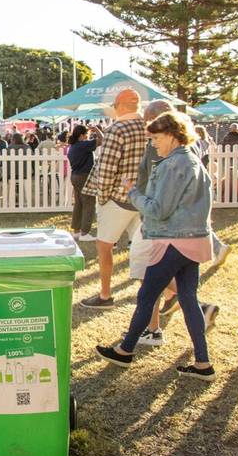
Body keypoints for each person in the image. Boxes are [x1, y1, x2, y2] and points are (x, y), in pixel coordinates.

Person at [96, 111, 216, 381]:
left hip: (173, 240)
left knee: (147, 296)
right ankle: (202, 363)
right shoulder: (194, 159)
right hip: (194, 239)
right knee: (188, 299)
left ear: (172, 135)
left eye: (156, 138)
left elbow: (158, 210)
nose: (153, 143)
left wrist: (133, 192)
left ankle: (124, 351)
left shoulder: (172, 165)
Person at [80, 88, 147, 310]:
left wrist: (103, 196)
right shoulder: (148, 127)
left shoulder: (117, 129)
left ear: (118, 106)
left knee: (104, 246)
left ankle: (106, 294)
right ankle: (152, 296)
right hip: (144, 197)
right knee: (143, 250)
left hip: (118, 196)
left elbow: (107, 167)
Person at [67, 124, 104, 241]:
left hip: (75, 176)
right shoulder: (83, 145)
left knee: (78, 204)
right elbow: (102, 140)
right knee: (89, 203)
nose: (88, 137)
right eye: (87, 135)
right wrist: (96, 129)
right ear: (82, 135)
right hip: (84, 176)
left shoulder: (73, 147)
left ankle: (77, 230)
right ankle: (85, 232)